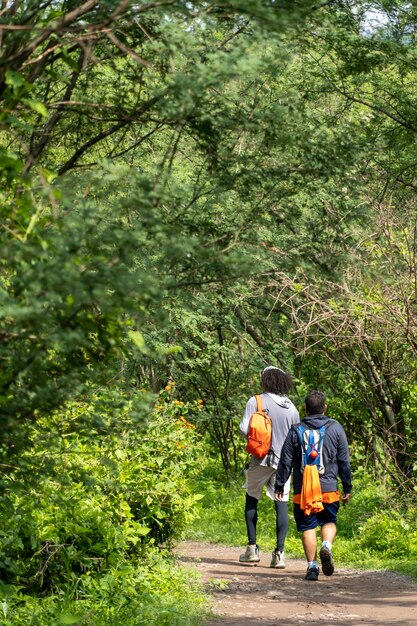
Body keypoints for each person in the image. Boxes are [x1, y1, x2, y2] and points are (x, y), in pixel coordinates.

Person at [275, 390, 352, 581]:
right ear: (325, 408)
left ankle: (312, 567)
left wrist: (279, 485)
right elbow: (344, 461)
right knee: (329, 521)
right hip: (328, 488)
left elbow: (285, 461)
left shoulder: (296, 430)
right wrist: (347, 486)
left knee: (308, 526)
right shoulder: (336, 428)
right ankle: (326, 545)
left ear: (305, 409)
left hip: (304, 491)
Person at [239, 366, 299, 568]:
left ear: (264, 381)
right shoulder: (291, 407)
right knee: (280, 503)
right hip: (284, 464)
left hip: (261, 459)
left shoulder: (255, 401)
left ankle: (252, 549)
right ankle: (279, 554)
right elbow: (296, 435)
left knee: (251, 497)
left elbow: (244, 428)